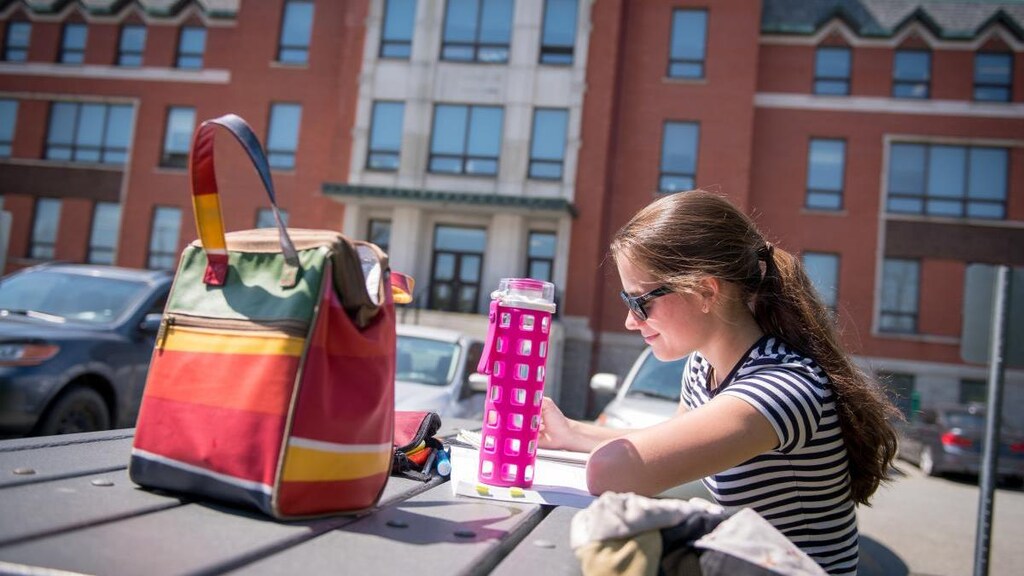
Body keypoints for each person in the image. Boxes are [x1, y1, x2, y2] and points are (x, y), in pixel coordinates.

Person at [539, 189, 901, 575]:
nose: (631, 320)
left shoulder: (780, 389)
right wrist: (571, 432)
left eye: (640, 302)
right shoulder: (703, 366)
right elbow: (664, 442)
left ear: (705, 291)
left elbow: (611, 470)